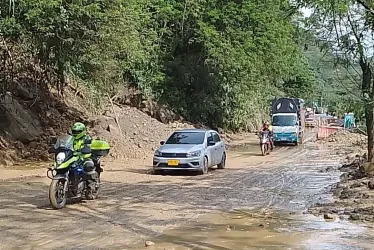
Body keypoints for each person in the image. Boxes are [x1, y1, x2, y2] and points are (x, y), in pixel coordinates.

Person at [71, 122, 97, 199]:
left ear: (82, 131)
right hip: (74, 158)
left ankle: (90, 189)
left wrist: (86, 148)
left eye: (78, 132)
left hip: (85, 157)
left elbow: (89, 146)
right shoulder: (71, 139)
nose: (75, 133)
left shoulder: (87, 139)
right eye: (74, 131)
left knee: (88, 166)